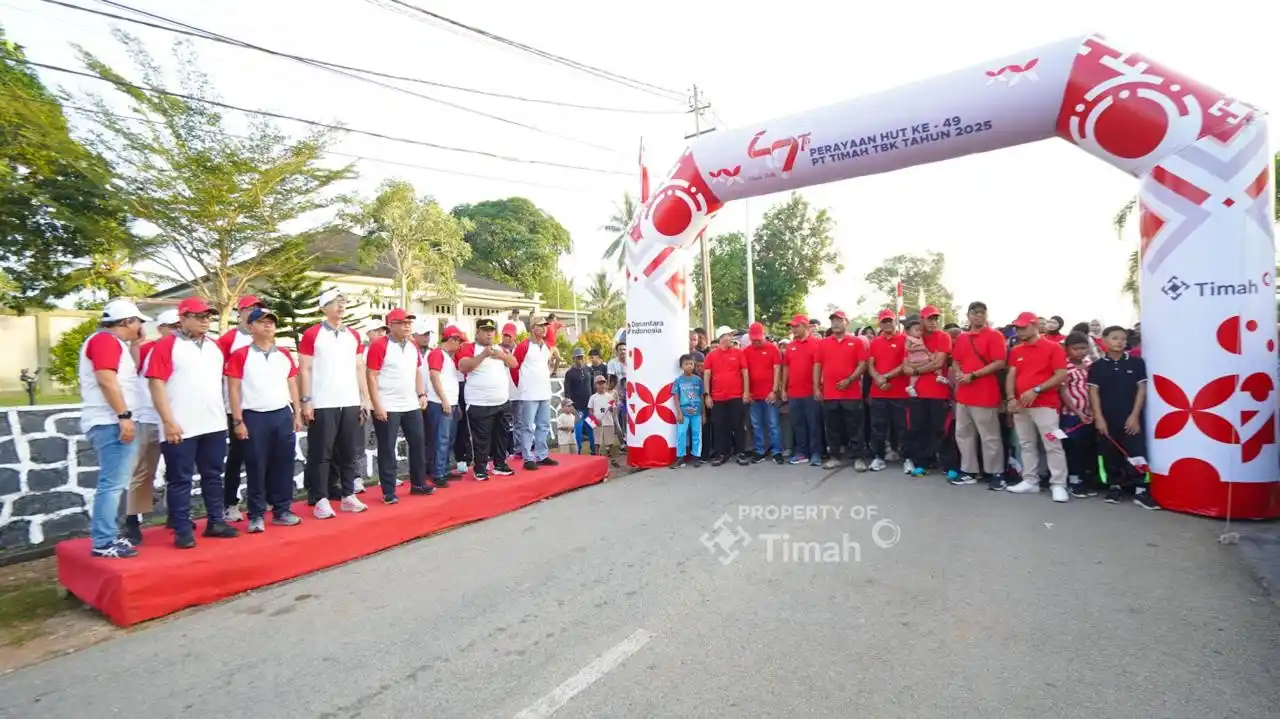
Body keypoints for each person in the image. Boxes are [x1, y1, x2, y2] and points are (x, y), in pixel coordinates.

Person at [146, 297, 240, 547]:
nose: (205, 321)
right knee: (180, 480)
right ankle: (181, 529)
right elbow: (156, 384)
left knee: (213, 475)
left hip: (213, 423)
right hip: (180, 425)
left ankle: (216, 522)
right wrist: (168, 421)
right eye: (199, 316)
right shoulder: (167, 346)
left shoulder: (214, 347)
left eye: (207, 316)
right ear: (183, 318)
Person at [80, 300, 151, 558]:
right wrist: (124, 416)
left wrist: (135, 345)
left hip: (111, 420)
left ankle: (107, 536)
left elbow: (126, 375)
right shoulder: (105, 341)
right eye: (138, 322)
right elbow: (107, 380)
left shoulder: (113, 343)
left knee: (114, 483)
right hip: (110, 422)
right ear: (126, 322)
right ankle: (103, 541)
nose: (141, 327)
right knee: (111, 484)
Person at [225, 308, 305, 532]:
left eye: (271, 322)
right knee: (256, 466)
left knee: (284, 464)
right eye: (262, 322)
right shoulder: (241, 355)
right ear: (250, 327)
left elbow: (292, 383)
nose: (268, 325)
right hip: (254, 416)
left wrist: (297, 412)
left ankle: (282, 510)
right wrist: (238, 420)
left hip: (281, 414)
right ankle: (256, 514)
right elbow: (233, 389)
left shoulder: (284, 354)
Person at [297, 290, 370, 520]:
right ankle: (320, 499)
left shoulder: (353, 335)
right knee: (321, 453)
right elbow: (305, 369)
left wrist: (365, 398)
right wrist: (306, 400)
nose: (340, 306)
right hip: (323, 402)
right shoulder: (312, 334)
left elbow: (359, 368)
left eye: (343, 302)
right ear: (323, 308)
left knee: (348, 451)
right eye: (334, 302)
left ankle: (348, 495)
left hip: (349, 401)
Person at [365, 308, 433, 504]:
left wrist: (421, 393)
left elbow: (417, 371)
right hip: (388, 404)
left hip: (410, 404)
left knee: (418, 443)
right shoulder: (380, 345)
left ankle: (419, 483)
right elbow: (371, 375)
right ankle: (388, 491)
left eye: (409, 323)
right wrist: (377, 404)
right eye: (402, 323)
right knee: (387, 448)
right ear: (391, 325)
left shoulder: (412, 346)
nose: (407, 326)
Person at [124, 308, 179, 545]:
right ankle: (132, 521)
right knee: (142, 471)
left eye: (179, 326)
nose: (176, 331)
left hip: (177, 417)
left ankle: (176, 514)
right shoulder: (147, 349)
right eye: (172, 327)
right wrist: (136, 344)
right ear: (161, 328)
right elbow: (131, 367)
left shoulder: (185, 350)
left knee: (178, 470)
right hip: (148, 417)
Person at [1003, 311, 1071, 501]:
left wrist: (1036, 390)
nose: (1018, 331)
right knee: (1026, 444)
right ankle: (1030, 480)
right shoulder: (1016, 350)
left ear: (1035, 326)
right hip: (1021, 405)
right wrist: (1010, 398)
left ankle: (1058, 484)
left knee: (1052, 444)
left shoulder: (1054, 348)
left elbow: (1060, 374)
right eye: (1017, 327)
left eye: (1023, 327)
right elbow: (1011, 375)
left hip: (1045, 404)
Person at [1089, 326, 1158, 509]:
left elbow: (1141, 390)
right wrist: (1099, 418)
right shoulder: (1097, 366)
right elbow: (1093, 393)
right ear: (1104, 341)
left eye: (1123, 338)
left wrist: (1135, 415)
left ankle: (1141, 490)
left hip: (1130, 418)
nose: (1120, 341)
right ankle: (1114, 487)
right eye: (1115, 338)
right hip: (1107, 418)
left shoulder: (1136, 363)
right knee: (1109, 452)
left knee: (1136, 452)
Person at [216, 295, 266, 522]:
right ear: (240, 313)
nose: (256, 311)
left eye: (259, 308)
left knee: (264, 455)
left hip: (262, 406)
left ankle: (263, 499)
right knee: (237, 457)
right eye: (251, 308)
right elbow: (218, 372)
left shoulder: (265, 337)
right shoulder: (229, 339)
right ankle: (230, 503)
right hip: (236, 408)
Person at [950, 301, 1008, 488]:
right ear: (968, 316)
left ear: (986, 315)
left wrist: (973, 375)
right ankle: (969, 470)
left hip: (985, 393)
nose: (978, 316)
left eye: (982, 313)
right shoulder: (962, 337)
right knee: (963, 433)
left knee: (990, 435)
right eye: (974, 313)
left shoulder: (995, 336)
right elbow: (956, 360)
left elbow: (999, 362)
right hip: (964, 394)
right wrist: (960, 374)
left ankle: (996, 473)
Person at [456, 318, 518, 480]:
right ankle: (480, 468)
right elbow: (463, 367)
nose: (489, 334)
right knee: (480, 439)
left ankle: (500, 464)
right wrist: (483, 355)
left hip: (501, 401)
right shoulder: (469, 347)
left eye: (491, 331)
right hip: (479, 403)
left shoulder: (499, 348)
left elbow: (513, 363)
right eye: (485, 331)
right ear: (478, 332)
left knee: (501, 436)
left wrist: (501, 356)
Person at [814, 310, 870, 471]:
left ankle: (859, 457)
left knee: (855, 426)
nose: (836, 323)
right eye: (833, 320)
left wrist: (849, 380)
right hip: (830, 393)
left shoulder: (856, 342)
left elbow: (862, 364)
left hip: (851, 393)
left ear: (847, 322)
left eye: (839, 320)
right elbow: (818, 365)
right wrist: (816, 387)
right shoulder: (823, 343)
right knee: (832, 428)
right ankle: (835, 457)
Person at [902, 306, 953, 477]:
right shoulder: (914, 337)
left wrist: (916, 370)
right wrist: (921, 367)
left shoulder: (943, 336)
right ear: (921, 320)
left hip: (938, 391)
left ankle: (947, 463)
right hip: (917, 392)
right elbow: (905, 367)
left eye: (935, 318)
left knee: (940, 428)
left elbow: (938, 363)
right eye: (929, 318)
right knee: (918, 428)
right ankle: (922, 463)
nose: (933, 322)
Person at [514, 315, 558, 471]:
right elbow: (514, 366)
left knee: (543, 425)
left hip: (544, 391)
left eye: (545, 326)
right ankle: (527, 457)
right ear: (533, 328)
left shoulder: (546, 346)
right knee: (527, 426)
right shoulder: (524, 346)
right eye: (540, 325)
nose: (544, 328)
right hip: (529, 393)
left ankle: (542, 455)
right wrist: (520, 385)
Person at [424, 325, 466, 487]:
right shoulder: (437, 353)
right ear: (452, 339)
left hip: (449, 402)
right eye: (459, 341)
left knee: (448, 439)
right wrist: (444, 400)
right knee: (441, 439)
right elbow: (434, 376)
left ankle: (443, 468)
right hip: (439, 402)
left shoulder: (447, 356)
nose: (460, 345)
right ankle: (438, 472)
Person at [867, 310, 908, 471]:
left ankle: (907, 458)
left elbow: (905, 364)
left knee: (902, 427)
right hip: (879, 392)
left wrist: (885, 377)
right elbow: (870, 364)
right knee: (878, 427)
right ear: (880, 324)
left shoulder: (904, 339)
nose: (888, 324)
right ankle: (879, 457)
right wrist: (878, 379)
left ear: (895, 322)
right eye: (884, 321)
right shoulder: (875, 342)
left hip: (899, 392)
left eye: (890, 321)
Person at [704, 326, 751, 466]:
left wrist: (746, 392)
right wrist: (707, 395)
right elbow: (707, 375)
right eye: (729, 335)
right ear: (721, 337)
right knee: (720, 426)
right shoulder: (711, 355)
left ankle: (741, 452)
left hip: (736, 395)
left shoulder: (738, 353)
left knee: (738, 425)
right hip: (718, 397)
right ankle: (721, 454)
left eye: (731, 335)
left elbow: (745, 373)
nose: (731, 338)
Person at [781, 314, 824, 467]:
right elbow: (786, 367)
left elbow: (820, 366)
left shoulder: (816, 344)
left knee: (814, 423)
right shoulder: (790, 346)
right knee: (798, 424)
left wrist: (818, 387)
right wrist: (783, 388)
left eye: (796, 326)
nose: (793, 329)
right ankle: (801, 452)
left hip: (810, 391)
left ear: (805, 326)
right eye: (792, 327)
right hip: (794, 392)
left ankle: (816, 452)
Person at [1060, 332, 1098, 498]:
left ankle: (1084, 478)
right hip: (1071, 414)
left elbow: (1092, 388)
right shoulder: (1064, 367)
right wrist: (1078, 412)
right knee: (1073, 448)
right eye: (1076, 349)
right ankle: (1073, 480)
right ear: (1067, 349)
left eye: (1083, 348)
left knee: (1086, 447)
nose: (1080, 352)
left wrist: (1092, 410)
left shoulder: (1089, 365)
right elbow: (1063, 392)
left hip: (1089, 413)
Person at [743, 322, 784, 464]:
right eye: (753, 340)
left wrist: (774, 390)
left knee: (773, 424)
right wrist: (747, 392)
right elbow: (745, 373)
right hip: (754, 395)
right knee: (756, 424)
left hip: (769, 395)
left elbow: (777, 370)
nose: (755, 342)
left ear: (763, 336)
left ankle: (777, 451)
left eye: (758, 340)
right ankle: (760, 450)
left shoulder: (773, 349)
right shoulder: (746, 351)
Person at [673, 353, 705, 468]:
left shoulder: (698, 380)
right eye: (686, 364)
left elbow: (701, 396)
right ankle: (680, 457)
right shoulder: (678, 380)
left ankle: (696, 456)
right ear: (681, 366)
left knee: (697, 434)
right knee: (681, 434)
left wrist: (703, 414)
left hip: (696, 412)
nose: (689, 366)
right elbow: (676, 397)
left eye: (691, 364)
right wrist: (679, 412)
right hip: (684, 412)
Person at [564, 347, 594, 453]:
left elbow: (593, 387)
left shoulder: (589, 370)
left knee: (592, 429)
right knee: (578, 431)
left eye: (582, 357)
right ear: (573, 358)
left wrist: (594, 403)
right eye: (578, 357)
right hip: (577, 409)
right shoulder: (569, 373)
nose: (580, 359)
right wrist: (570, 406)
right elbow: (567, 392)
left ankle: (594, 451)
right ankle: (578, 452)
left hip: (589, 408)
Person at [901, 319, 939, 398]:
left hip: (923, 357)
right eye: (916, 330)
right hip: (915, 359)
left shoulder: (920, 338)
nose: (919, 332)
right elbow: (907, 349)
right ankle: (911, 386)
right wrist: (919, 349)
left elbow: (924, 348)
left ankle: (939, 375)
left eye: (921, 330)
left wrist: (927, 352)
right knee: (915, 374)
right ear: (909, 331)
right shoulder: (909, 339)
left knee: (935, 362)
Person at [588, 375, 618, 462]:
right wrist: (595, 420)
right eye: (599, 383)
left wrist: (611, 408)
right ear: (595, 385)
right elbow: (590, 411)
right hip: (597, 422)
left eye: (603, 383)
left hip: (608, 421)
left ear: (605, 384)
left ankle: (612, 458)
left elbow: (613, 409)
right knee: (597, 441)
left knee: (610, 441)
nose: (601, 385)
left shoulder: (609, 396)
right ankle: (597, 458)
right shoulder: (593, 397)